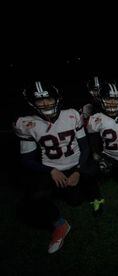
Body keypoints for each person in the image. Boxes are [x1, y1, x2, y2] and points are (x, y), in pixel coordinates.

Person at [14, 81, 103, 254]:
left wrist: (78, 170)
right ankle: (59, 225)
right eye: (40, 101)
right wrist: (50, 171)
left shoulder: (71, 115)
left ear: (57, 98)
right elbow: (27, 160)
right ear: (32, 102)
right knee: (33, 197)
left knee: (76, 199)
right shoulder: (27, 123)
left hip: (75, 164)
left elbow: (84, 147)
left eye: (49, 98)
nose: (46, 103)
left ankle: (89, 191)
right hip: (51, 169)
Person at [86, 82, 118, 188]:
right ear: (101, 99)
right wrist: (100, 158)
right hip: (110, 157)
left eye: (116, 98)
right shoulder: (95, 119)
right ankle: (107, 170)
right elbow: (94, 143)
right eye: (109, 99)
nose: (113, 102)